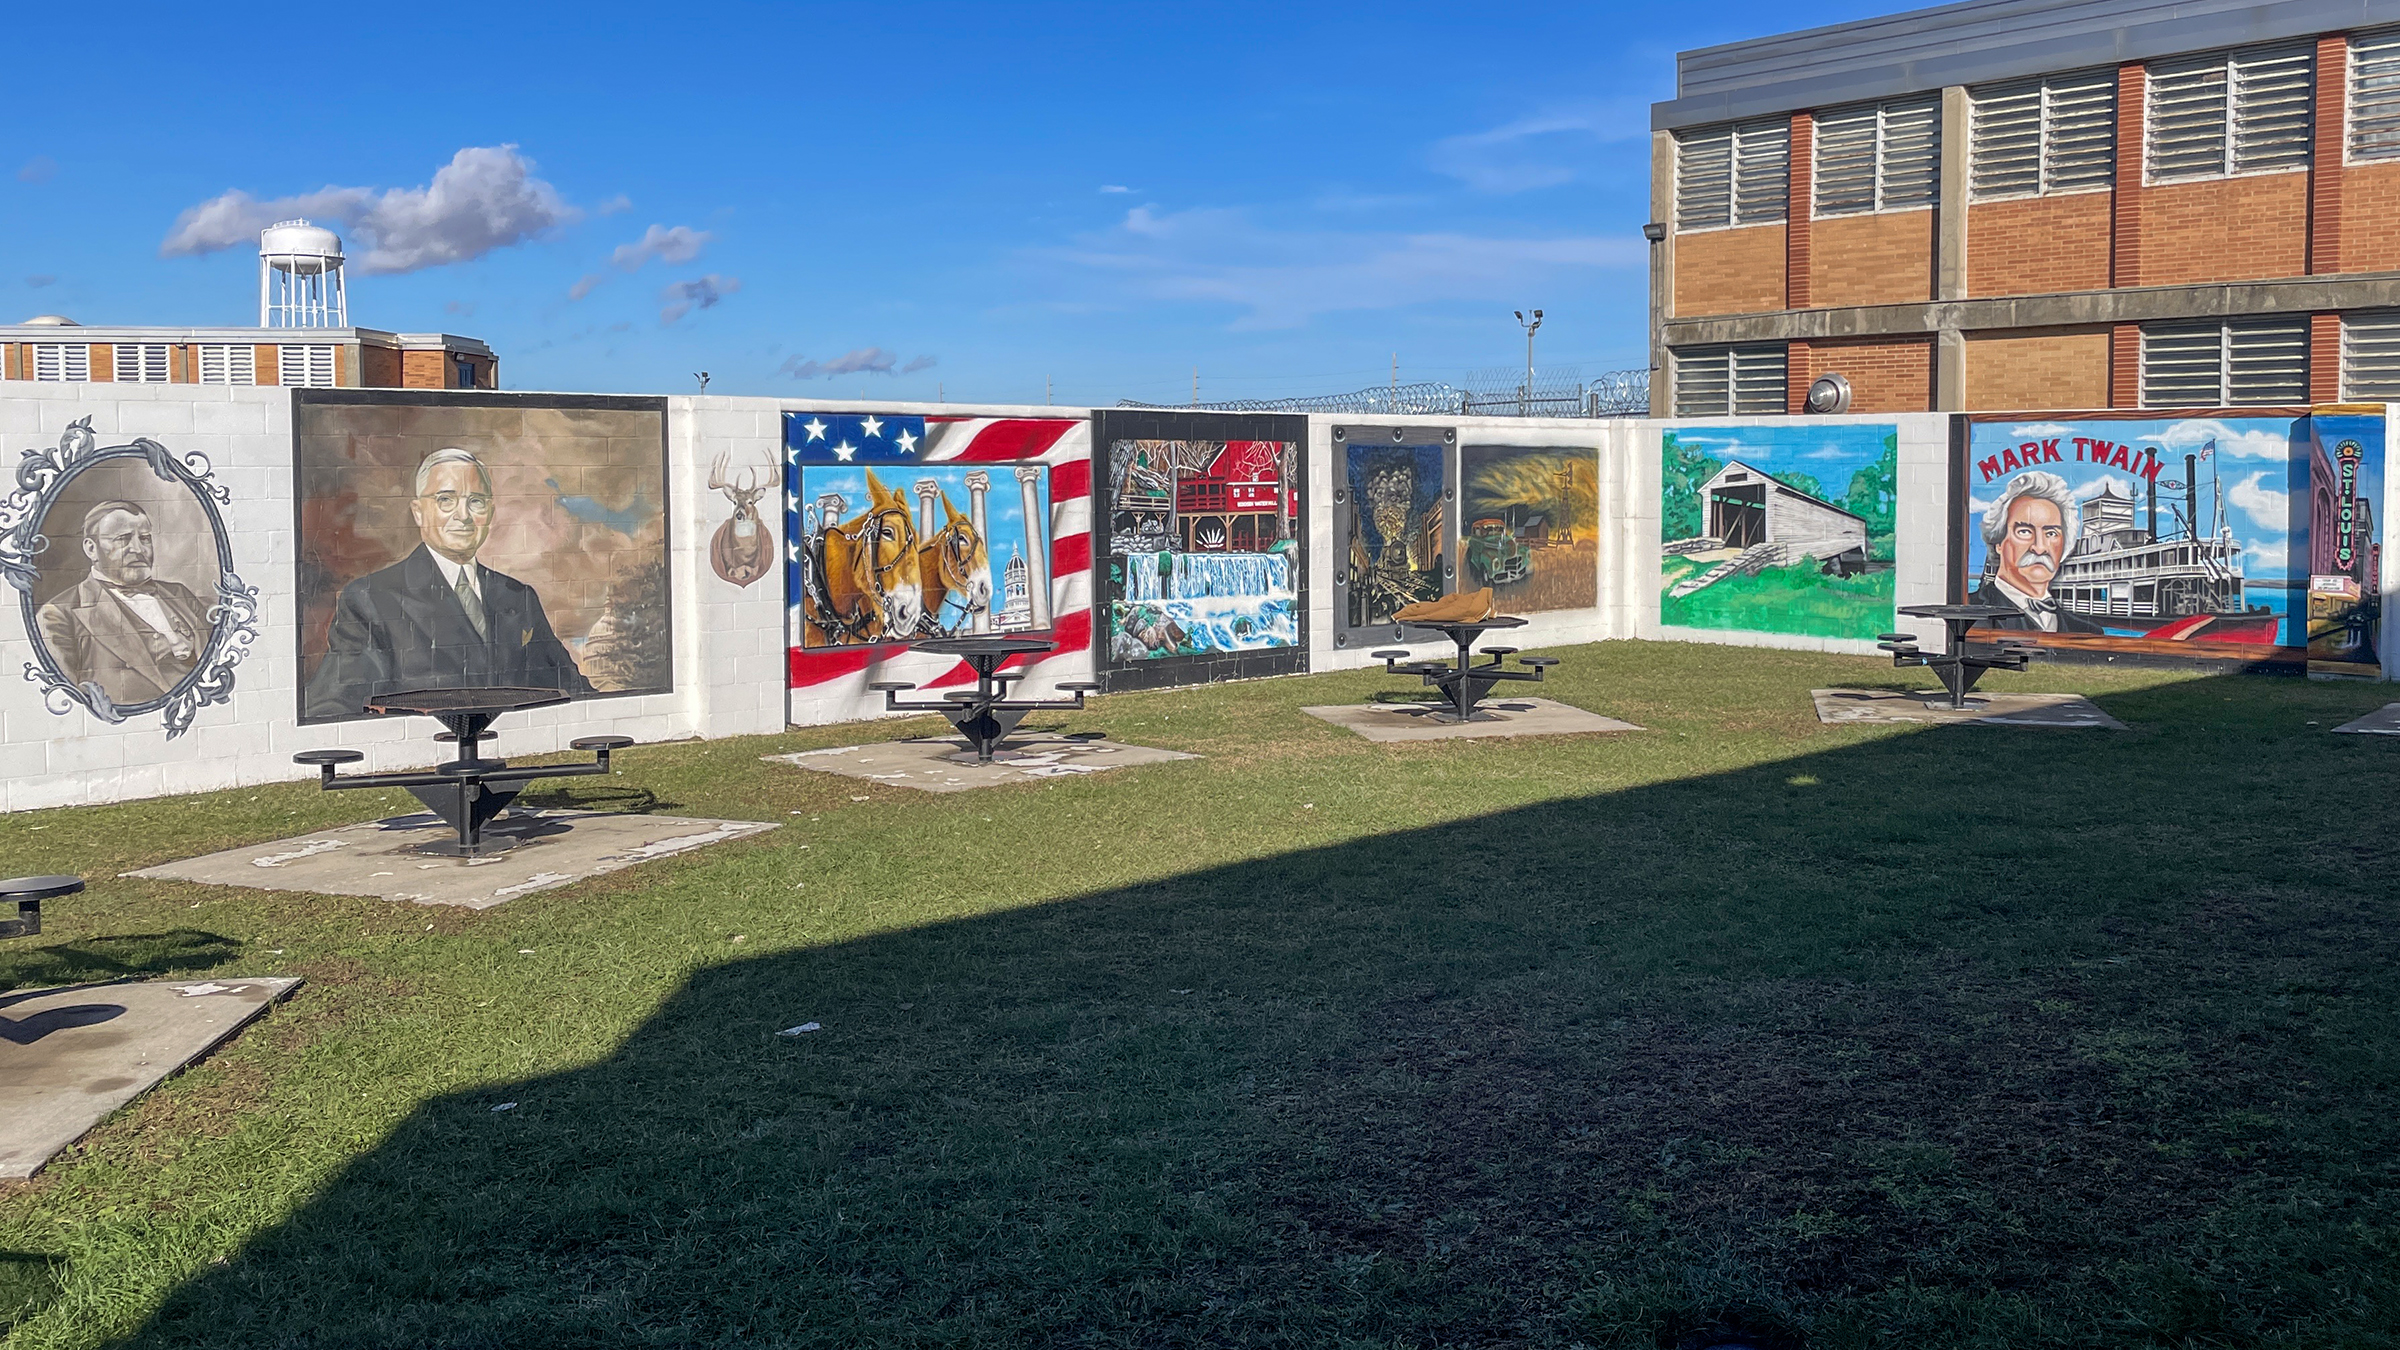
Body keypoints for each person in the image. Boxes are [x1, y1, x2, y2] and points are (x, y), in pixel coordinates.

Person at [304, 447, 594, 719]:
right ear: (418, 512)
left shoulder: (518, 597)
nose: (463, 515)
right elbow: (335, 704)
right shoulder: (371, 599)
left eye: (476, 501)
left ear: (490, 513)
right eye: (445, 500)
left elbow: (569, 685)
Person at [34, 500, 211, 707]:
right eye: (122, 539)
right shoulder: (57, 615)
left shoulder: (179, 593)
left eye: (145, 538)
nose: (138, 549)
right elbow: (68, 700)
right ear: (92, 549)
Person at [1972, 471, 2102, 633]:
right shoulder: (1969, 617)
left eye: (2051, 534)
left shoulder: (2087, 631)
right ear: (1998, 542)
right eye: (2025, 531)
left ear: (2064, 546)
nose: (2040, 547)